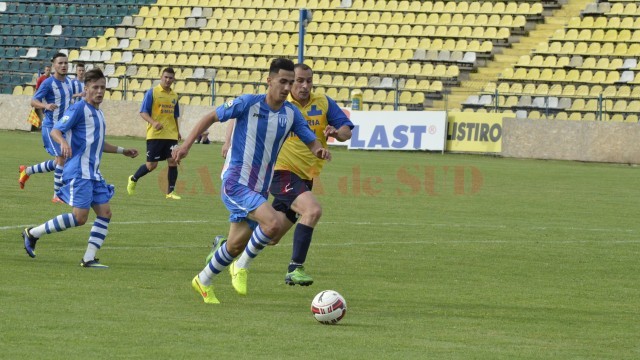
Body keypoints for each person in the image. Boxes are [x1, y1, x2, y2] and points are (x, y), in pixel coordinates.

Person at [172, 58, 331, 304]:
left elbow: (311, 141)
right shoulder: (248, 103)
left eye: (291, 82)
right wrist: (186, 146)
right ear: (269, 81)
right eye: (283, 82)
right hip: (235, 182)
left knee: (235, 245)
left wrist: (319, 150)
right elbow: (209, 117)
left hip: (259, 187)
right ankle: (241, 267)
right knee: (273, 224)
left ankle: (203, 281)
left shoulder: (291, 114)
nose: (287, 87)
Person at [214, 63, 353, 295]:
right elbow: (238, 116)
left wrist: (338, 133)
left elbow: (347, 128)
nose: (304, 85)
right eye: (299, 80)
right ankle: (295, 268)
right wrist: (228, 143)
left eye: (309, 80)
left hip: (305, 176)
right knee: (313, 210)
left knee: (272, 236)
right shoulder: (280, 103)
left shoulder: (324, 102)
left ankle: (226, 245)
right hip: (280, 171)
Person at [21, 68, 139, 268]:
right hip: (79, 172)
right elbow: (56, 131)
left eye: (102, 87)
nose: (100, 91)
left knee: (105, 213)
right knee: (80, 218)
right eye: (95, 87)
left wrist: (123, 150)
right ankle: (33, 233)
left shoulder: (99, 113)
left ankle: (89, 258)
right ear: (86, 89)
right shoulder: (79, 109)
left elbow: (98, 143)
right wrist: (64, 144)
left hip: (93, 173)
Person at [20, 53, 76, 203]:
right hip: (51, 127)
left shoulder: (69, 83)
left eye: (66, 63)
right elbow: (33, 101)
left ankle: (27, 170)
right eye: (60, 63)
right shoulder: (48, 83)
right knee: (62, 158)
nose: (64, 66)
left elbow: (68, 99)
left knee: (60, 160)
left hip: (64, 128)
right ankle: (57, 195)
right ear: (53, 65)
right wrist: (45, 105)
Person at [126, 68, 182, 199]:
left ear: (174, 80)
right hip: (155, 135)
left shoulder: (174, 96)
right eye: (166, 77)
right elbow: (143, 112)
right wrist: (153, 122)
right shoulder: (152, 93)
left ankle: (170, 192)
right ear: (161, 77)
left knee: (173, 161)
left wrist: (178, 131)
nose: (168, 80)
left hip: (171, 135)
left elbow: (175, 116)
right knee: (151, 165)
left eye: (171, 78)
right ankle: (133, 178)